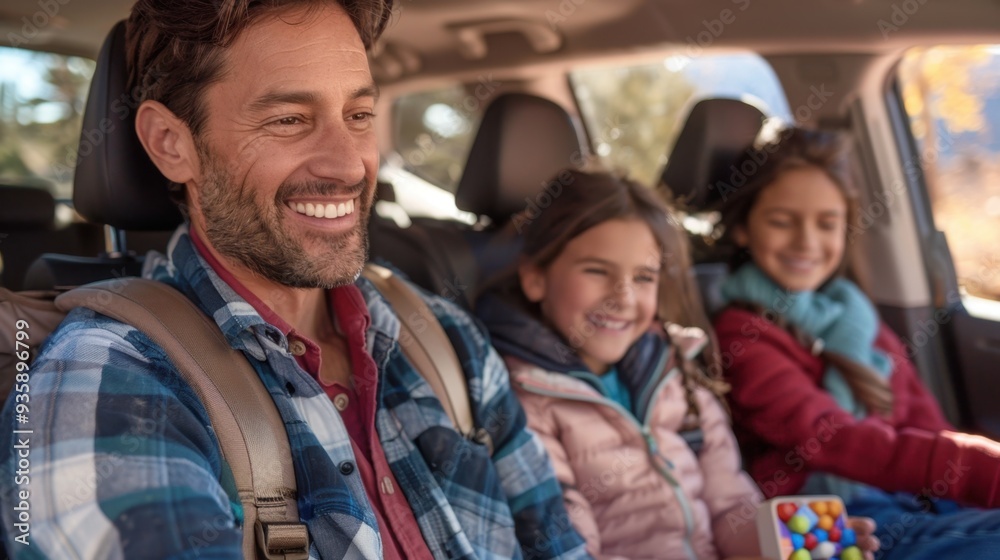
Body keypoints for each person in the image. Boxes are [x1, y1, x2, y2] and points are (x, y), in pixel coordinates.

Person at [0, 1, 591, 558]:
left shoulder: (447, 339)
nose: (347, 163)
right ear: (171, 144)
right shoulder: (105, 385)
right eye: (289, 119)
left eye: (359, 115)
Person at [475, 169, 878, 560]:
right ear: (535, 277)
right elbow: (570, 548)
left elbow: (727, 509)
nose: (624, 297)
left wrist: (793, 538)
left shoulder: (676, 377)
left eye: (644, 277)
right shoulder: (525, 407)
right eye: (597, 271)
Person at [712, 127, 1000, 559]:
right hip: (832, 520)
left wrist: (959, 481)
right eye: (781, 221)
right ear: (742, 230)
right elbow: (828, 438)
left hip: (909, 500)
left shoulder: (855, 315)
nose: (806, 241)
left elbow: (923, 419)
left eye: (827, 223)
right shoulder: (742, 333)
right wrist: (977, 470)